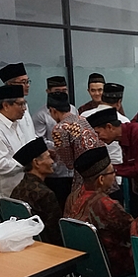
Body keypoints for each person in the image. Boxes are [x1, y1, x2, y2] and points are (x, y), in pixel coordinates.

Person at [66, 147, 135, 277]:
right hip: (110, 268)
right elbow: (133, 232)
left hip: (82, 265)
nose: (115, 175)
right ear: (101, 179)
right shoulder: (107, 205)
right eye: (113, 172)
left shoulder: (72, 197)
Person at [48, 91, 109, 209]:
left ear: (53, 110)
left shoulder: (60, 128)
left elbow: (69, 164)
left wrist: (55, 154)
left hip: (85, 174)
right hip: (104, 169)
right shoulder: (83, 119)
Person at [32, 76, 78, 209]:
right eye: (57, 91)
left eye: (64, 90)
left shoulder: (73, 109)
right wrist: (58, 146)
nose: (61, 94)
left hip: (74, 171)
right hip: (55, 170)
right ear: (48, 91)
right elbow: (38, 140)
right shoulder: (40, 115)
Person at [10, 136, 63, 246]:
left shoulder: (18, 188)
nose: (52, 161)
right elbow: (55, 233)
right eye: (49, 157)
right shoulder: (45, 194)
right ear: (37, 162)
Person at [79, 83, 128, 197]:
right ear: (119, 102)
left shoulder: (83, 116)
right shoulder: (123, 121)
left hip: (89, 176)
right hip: (114, 176)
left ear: (102, 97)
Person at [0, 62, 36, 143]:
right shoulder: (9, 109)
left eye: (28, 81)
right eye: (23, 82)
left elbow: (29, 133)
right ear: (10, 84)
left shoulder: (24, 104)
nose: (27, 85)